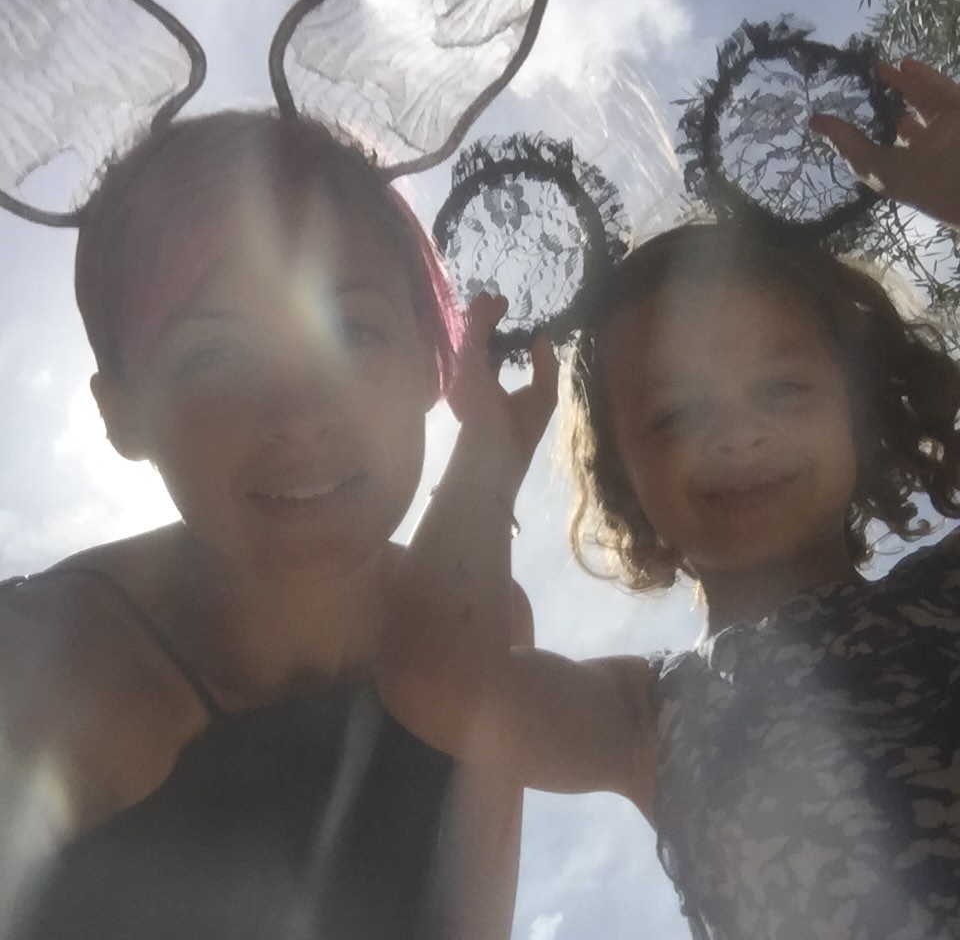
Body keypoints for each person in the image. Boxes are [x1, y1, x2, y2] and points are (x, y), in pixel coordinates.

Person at [381, 58, 960, 939]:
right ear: (626, 482)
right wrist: (488, 453)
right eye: (681, 414)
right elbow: (438, 678)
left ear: (862, 411)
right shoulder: (647, 718)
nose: (736, 432)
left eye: (782, 389)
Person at [0, 110, 531, 940]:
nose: (301, 412)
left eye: (353, 329)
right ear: (124, 415)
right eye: (214, 355)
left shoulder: (486, 627)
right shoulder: (35, 672)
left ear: (436, 359)